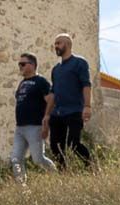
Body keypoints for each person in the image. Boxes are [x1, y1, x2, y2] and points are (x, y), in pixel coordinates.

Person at [48, 33, 93, 168]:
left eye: (59, 43)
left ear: (67, 45)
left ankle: (91, 167)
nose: (56, 46)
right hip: (57, 113)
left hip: (74, 110)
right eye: (55, 44)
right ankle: (64, 173)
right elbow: (53, 93)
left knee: (73, 144)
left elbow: (86, 84)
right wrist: (46, 115)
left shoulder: (79, 63)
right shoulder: (56, 69)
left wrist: (87, 106)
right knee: (56, 146)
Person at [12, 52, 57, 182]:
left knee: (38, 159)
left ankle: (57, 177)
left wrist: (46, 122)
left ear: (32, 65)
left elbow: (50, 100)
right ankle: (23, 190)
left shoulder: (41, 82)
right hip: (20, 128)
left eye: (23, 64)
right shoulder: (22, 83)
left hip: (35, 126)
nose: (20, 66)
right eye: (19, 64)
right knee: (15, 158)